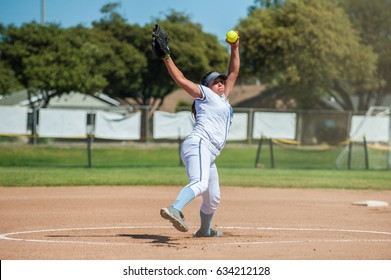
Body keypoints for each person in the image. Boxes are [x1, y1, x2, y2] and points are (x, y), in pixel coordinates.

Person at [160, 34, 240, 237]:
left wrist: (235, 47)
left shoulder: (223, 99)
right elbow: (181, 80)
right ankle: (174, 208)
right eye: (216, 81)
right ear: (207, 86)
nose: (221, 83)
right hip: (199, 143)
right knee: (200, 182)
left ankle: (204, 230)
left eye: (222, 81)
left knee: (213, 198)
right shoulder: (205, 95)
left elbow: (233, 72)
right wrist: (166, 57)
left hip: (210, 152)